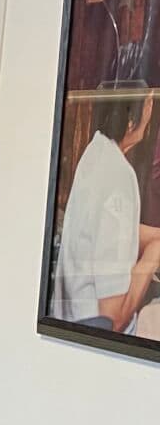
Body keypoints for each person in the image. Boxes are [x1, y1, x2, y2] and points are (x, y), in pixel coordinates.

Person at [52, 95, 160, 331]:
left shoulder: (97, 150)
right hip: (92, 327)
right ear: (137, 114)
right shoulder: (119, 176)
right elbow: (113, 318)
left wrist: (155, 236)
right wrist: (154, 253)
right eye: (150, 101)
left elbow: (101, 229)